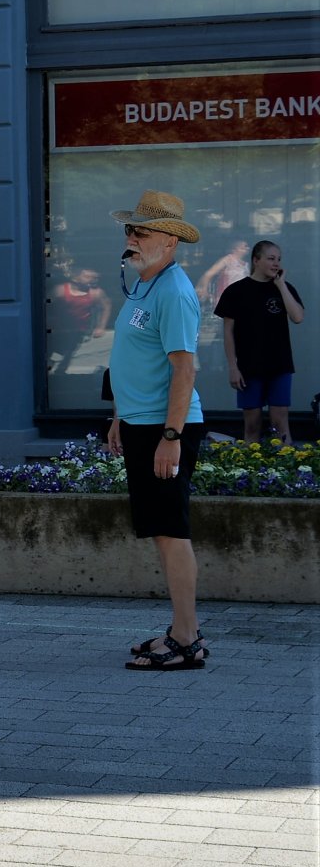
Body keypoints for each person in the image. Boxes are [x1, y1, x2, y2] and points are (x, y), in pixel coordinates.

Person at [107, 191, 210, 672]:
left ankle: (187, 640)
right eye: (130, 230)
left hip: (165, 428)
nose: (131, 238)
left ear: (169, 241)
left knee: (171, 532)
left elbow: (184, 370)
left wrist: (171, 438)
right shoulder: (143, 284)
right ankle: (180, 630)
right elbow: (133, 359)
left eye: (141, 232)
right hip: (141, 423)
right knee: (161, 531)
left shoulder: (174, 291)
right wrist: (119, 417)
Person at [215, 240, 304, 444]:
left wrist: (281, 286)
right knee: (252, 423)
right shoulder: (236, 291)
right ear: (256, 260)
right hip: (249, 367)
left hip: (280, 365)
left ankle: (285, 462)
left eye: (279, 259)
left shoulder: (284, 288)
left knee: (280, 422)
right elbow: (228, 332)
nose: (276, 263)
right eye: (271, 259)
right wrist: (233, 367)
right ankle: (250, 463)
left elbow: (298, 317)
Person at [49, 265, 111, 375]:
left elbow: (106, 306)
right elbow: (46, 306)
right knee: (53, 349)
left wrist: (101, 327)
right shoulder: (61, 290)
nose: (92, 279)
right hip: (59, 327)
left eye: (95, 277)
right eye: (87, 277)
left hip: (79, 329)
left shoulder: (95, 293)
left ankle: (61, 370)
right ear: (75, 278)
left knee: (70, 349)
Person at [195, 238, 250, 308]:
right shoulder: (227, 260)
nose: (247, 248)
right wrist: (204, 290)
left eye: (247, 247)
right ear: (235, 249)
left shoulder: (246, 265)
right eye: (243, 247)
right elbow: (208, 274)